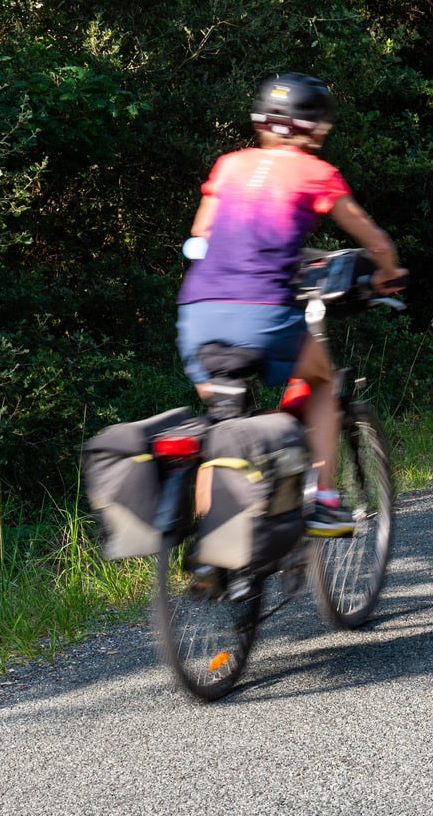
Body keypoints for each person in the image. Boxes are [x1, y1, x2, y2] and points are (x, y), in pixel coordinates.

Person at [177, 73, 405, 537]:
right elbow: (373, 240)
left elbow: (201, 237)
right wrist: (387, 272)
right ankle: (323, 500)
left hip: (197, 315)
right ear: (316, 127)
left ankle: (209, 548)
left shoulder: (229, 164)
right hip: (261, 312)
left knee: (223, 426)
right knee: (322, 382)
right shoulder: (315, 172)